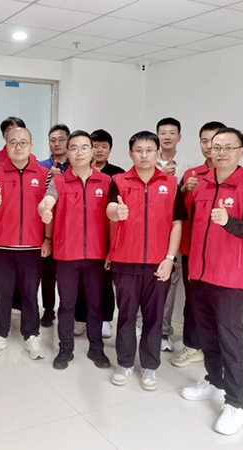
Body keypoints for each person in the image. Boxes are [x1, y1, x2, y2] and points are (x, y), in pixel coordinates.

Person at [181, 127, 243, 436]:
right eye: (216, 147)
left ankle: (235, 404)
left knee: (230, 340)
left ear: (241, 151)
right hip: (199, 273)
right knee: (207, 334)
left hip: (230, 277)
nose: (221, 152)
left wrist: (228, 221)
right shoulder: (200, 183)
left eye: (228, 147)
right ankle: (214, 381)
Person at [107, 131, 186, 390]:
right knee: (126, 316)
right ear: (131, 153)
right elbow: (109, 210)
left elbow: (177, 223)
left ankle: (150, 367)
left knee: (154, 317)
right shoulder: (118, 180)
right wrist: (117, 211)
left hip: (158, 264)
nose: (144, 155)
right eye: (138, 150)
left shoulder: (171, 184)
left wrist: (170, 258)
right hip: (125, 262)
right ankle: (125, 363)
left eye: (149, 150)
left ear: (157, 153)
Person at [38, 130, 111, 370]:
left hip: (96, 255)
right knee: (67, 304)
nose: (79, 152)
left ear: (92, 152)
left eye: (85, 147)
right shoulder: (58, 182)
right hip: (66, 254)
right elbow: (47, 201)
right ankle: (65, 348)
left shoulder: (106, 182)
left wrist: (111, 250)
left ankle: (96, 348)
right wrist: (44, 209)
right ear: (67, 153)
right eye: (74, 148)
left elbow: (112, 219)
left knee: (95, 304)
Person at [0, 127, 51, 360]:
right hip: (2, 245)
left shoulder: (44, 173)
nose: (18, 147)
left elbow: (49, 210)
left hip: (32, 246)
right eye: (13, 142)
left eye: (23, 142)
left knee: (30, 293)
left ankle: (31, 334)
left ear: (31, 145)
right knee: (2, 292)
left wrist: (48, 239)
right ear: (6, 145)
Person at [171, 121, 226, 367]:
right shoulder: (191, 175)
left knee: (220, 302)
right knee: (193, 300)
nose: (209, 147)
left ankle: (219, 347)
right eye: (204, 141)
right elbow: (178, 212)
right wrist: (184, 189)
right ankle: (192, 346)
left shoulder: (238, 176)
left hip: (221, 251)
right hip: (192, 249)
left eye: (214, 141)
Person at [144, 117, 196, 352]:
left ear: (179, 137)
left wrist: (180, 186)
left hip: (175, 232)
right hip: (148, 232)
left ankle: (164, 331)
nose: (167, 137)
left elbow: (186, 202)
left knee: (169, 284)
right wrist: (160, 175)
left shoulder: (189, 165)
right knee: (142, 281)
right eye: (162, 132)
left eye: (171, 132)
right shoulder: (146, 160)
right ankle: (141, 325)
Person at [75, 128, 125, 339]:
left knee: (104, 279)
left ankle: (105, 319)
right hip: (81, 234)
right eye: (95, 146)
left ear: (110, 149)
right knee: (79, 279)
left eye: (104, 146)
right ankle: (80, 317)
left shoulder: (118, 174)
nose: (99, 150)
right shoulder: (78, 170)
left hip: (106, 233)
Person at [37, 124, 71, 328]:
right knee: (47, 273)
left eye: (61, 139)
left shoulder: (76, 166)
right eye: (52, 140)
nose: (56, 143)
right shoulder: (40, 167)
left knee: (68, 276)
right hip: (47, 227)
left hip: (69, 228)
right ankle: (48, 310)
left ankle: (69, 311)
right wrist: (50, 180)